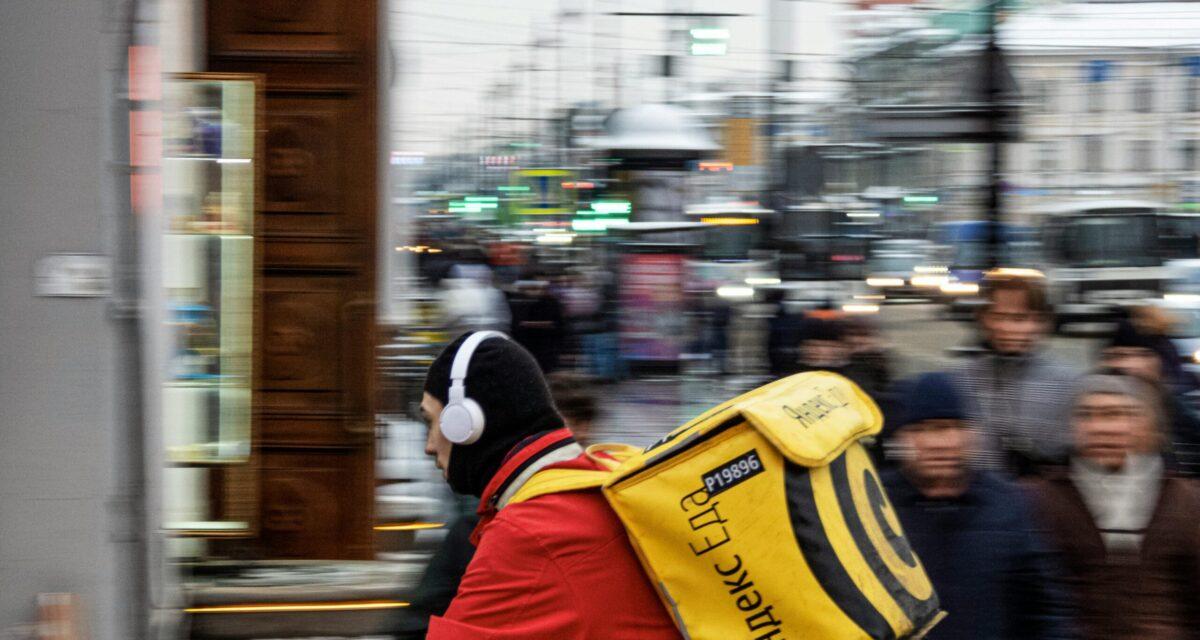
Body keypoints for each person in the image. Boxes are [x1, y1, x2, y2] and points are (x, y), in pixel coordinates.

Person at [419, 332, 678, 638]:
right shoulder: (604, 471)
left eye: (431, 422)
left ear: (465, 424)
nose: (429, 446)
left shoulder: (530, 531)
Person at [882, 373, 1076, 640]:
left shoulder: (1008, 505)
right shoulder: (875, 504)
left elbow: (1044, 611)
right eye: (920, 430)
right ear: (900, 439)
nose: (937, 443)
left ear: (972, 435)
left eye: (949, 427)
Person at [1026, 372, 1200, 638]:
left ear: (1149, 427)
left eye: (1116, 414)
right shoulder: (1040, 499)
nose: (1099, 428)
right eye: (1086, 415)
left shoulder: (1185, 500)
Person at [952, 271, 1081, 475]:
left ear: (1041, 322)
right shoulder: (958, 381)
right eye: (998, 317)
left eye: (1020, 318)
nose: (1006, 327)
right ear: (982, 319)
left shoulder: (1068, 385)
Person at [1100, 312, 1200, 475]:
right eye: (1119, 355)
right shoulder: (1092, 402)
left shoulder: (1171, 406)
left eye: (1142, 355)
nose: (1130, 365)